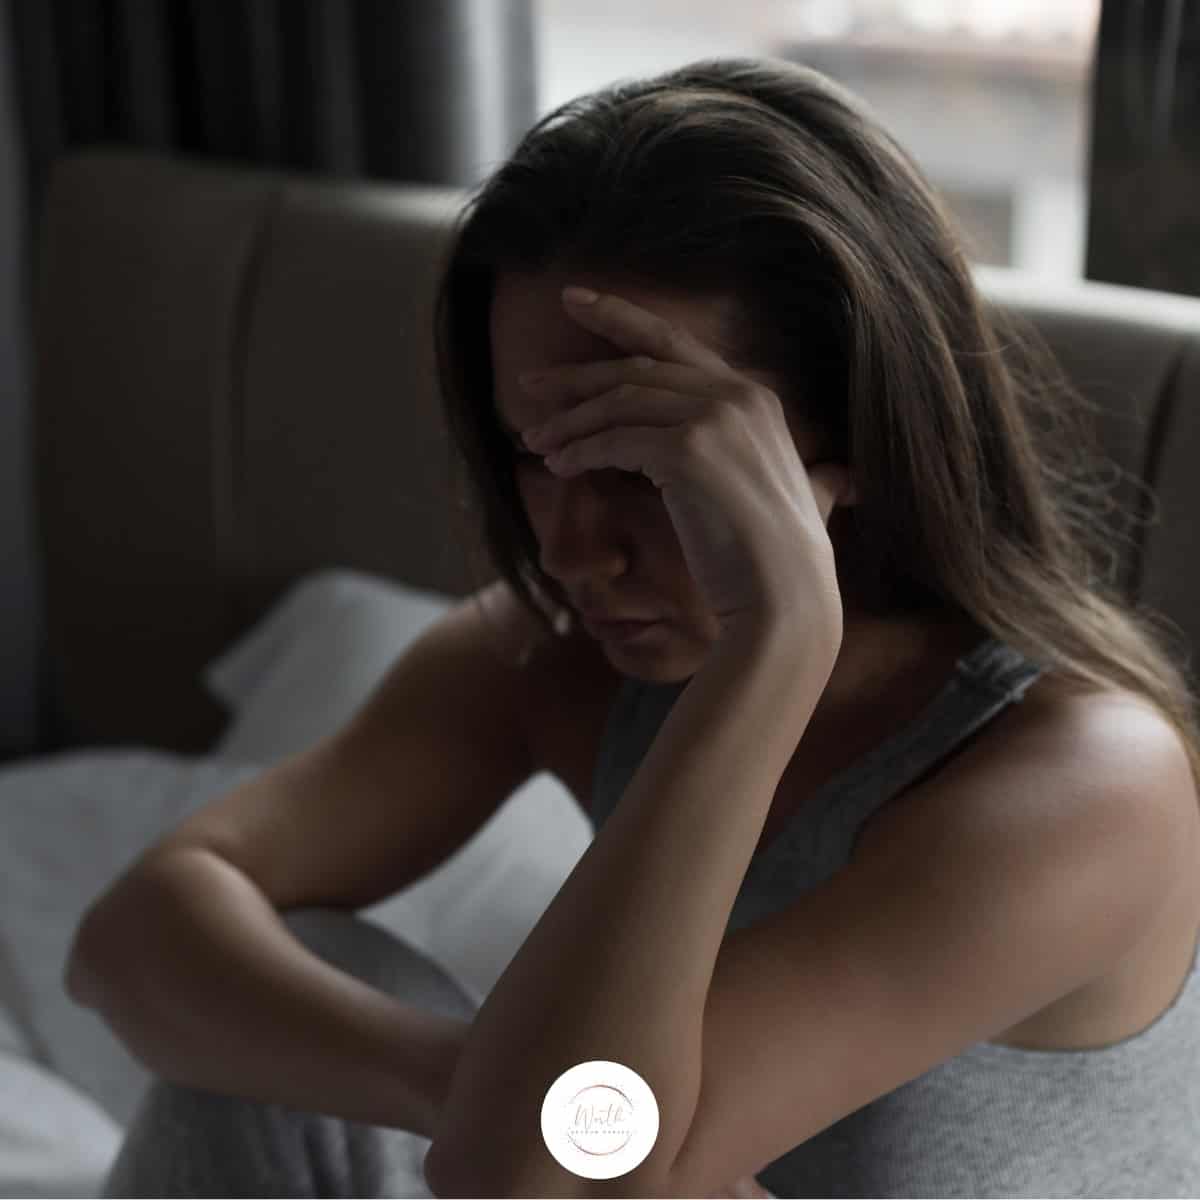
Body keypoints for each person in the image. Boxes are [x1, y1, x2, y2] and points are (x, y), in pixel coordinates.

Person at [95, 55, 1200, 1197]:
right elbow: (133, 932)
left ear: (850, 442)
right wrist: (455, 1080)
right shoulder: (557, 661)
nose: (573, 550)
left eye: (638, 467)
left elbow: (561, 1173)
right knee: (283, 1003)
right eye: (533, 456)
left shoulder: (1087, 790)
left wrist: (775, 645)